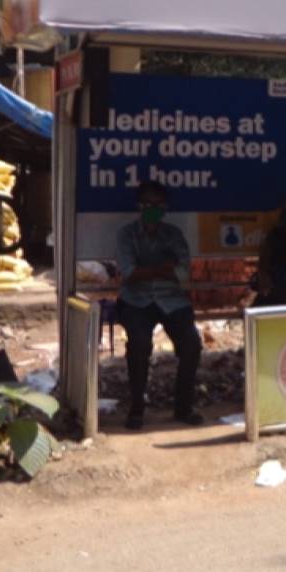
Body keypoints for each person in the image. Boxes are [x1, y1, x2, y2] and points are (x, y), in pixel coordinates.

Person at [115, 181, 203, 429]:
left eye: (157, 204)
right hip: (136, 300)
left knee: (192, 344)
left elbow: (184, 274)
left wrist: (146, 270)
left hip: (172, 299)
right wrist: (165, 268)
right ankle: (137, 408)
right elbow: (128, 273)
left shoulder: (173, 234)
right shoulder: (127, 234)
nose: (152, 209)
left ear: (165, 207)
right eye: (147, 204)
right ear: (139, 206)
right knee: (139, 345)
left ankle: (183, 407)